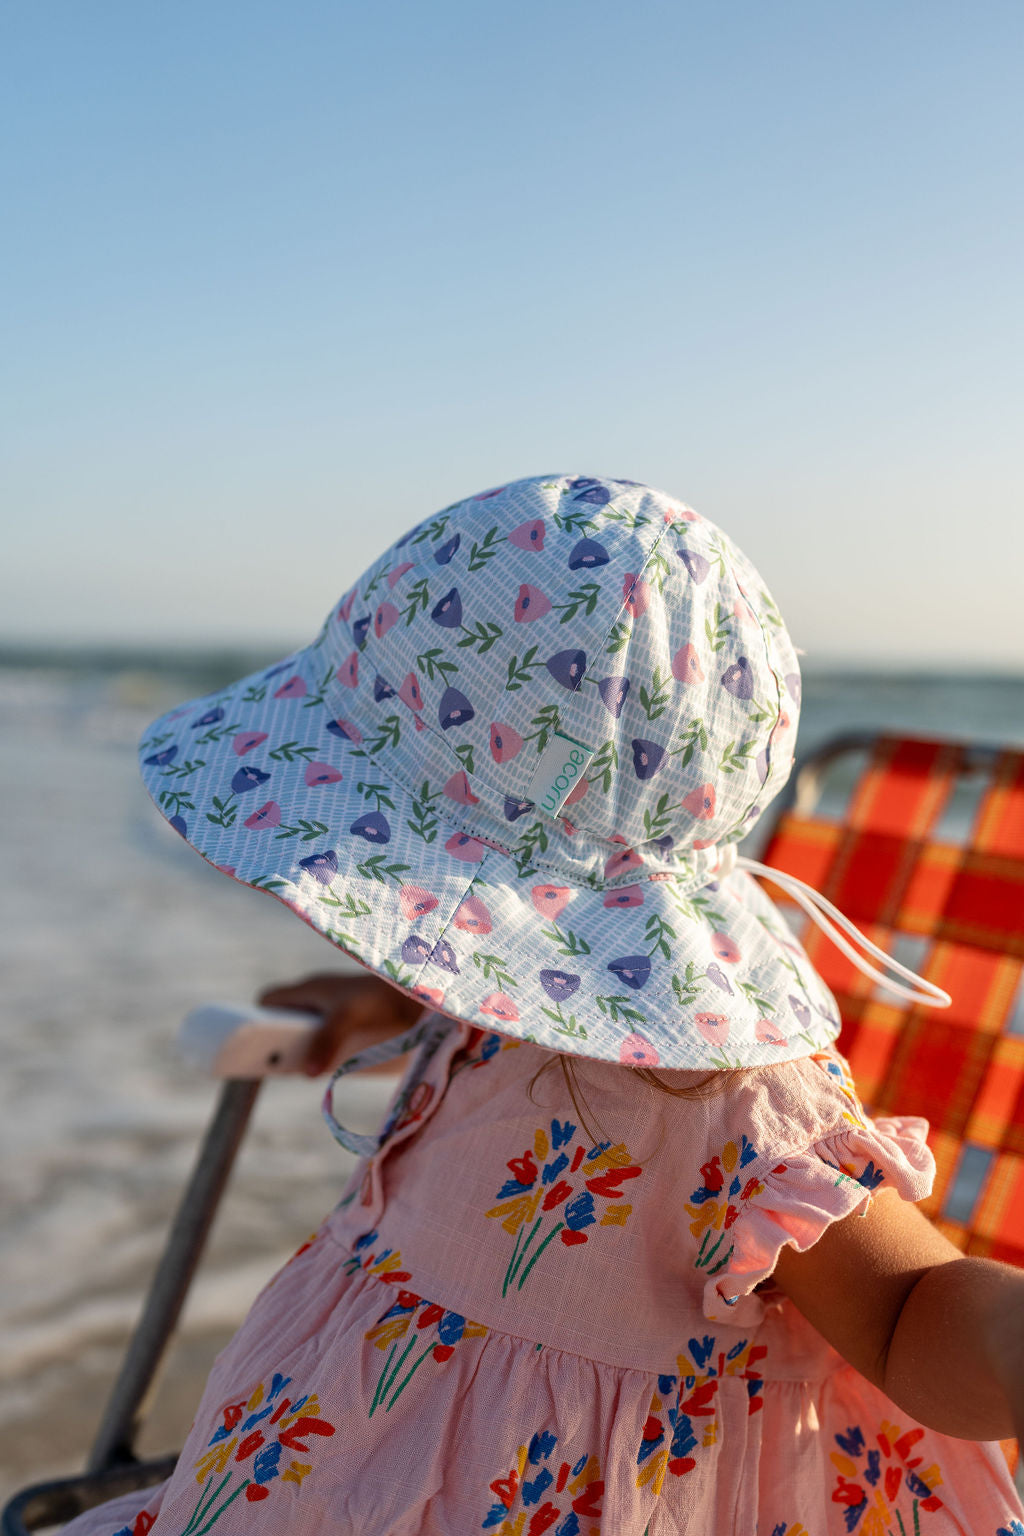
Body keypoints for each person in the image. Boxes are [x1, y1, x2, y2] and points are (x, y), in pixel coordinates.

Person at [64, 475, 1024, 1535]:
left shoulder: (733, 1102)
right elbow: (504, 981)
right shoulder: (511, 999)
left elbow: (902, 1315)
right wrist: (395, 1007)